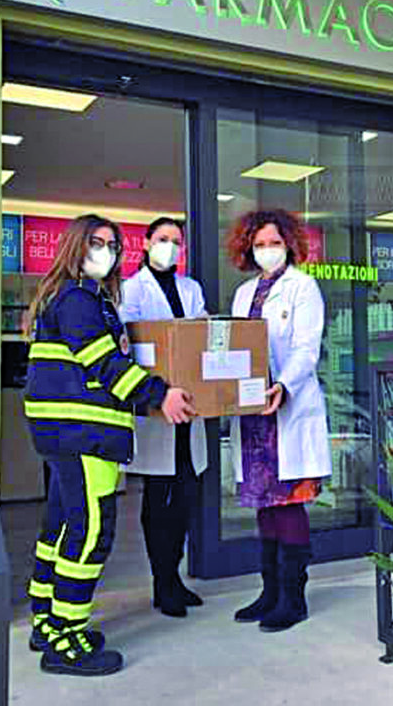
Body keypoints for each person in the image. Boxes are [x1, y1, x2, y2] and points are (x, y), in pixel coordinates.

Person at [23, 214, 196, 676]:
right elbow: (104, 364)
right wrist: (160, 395)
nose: (106, 252)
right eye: (96, 243)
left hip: (66, 434)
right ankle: (67, 639)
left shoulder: (76, 297)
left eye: (113, 245)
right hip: (84, 434)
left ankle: (47, 621)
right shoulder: (79, 300)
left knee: (60, 527)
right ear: (75, 246)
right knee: (90, 532)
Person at [227, 209, 331, 632]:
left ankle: (293, 597)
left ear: (289, 244)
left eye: (274, 243)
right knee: (264, 506)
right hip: (254, 414)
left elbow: (307, 349)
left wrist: (284, 386)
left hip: (286, 405)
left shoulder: (303, 287)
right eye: (259, 244)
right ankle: (269, 592)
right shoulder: (243, 294)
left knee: (288, 504)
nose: (267, 250)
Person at [118, 217, 208, 618]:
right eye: (162, 239)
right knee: (158, 498)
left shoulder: (191, 289)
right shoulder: (131, 289)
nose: (170, 246)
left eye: (176, 240)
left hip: (191, 407)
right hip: (156, 407)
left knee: (185, 498)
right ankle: (162, 582)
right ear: (146, 243)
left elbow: (200, 336)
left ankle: (175, 577)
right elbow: (134, 342)